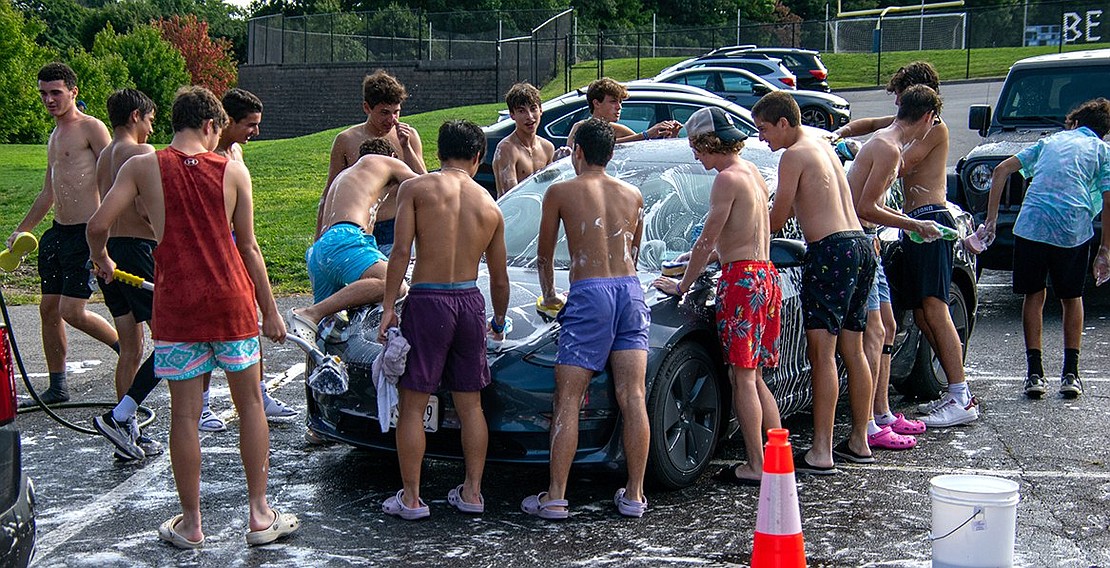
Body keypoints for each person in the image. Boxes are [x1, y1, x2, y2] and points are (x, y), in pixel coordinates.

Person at [87, 86, 298, 548]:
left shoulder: (142, 166)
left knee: (184, 415)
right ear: (210, 126)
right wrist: (271, 311)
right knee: (251, 407)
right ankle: (260, 516)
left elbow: (97, 225)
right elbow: (249, 247)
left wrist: (101, 258)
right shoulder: (234, 171)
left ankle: (191, 523)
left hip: (177, 304)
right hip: (231, 302)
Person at [834, 62, 978, 428]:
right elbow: (873, 125)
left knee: (935, 307)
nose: (896, 104)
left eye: (901, 96)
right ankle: (950, 391)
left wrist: (858, 154)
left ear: (921, 100)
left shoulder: (934, 127)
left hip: (930, 218)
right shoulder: (908, 122)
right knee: (920, 313)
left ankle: (960, 394)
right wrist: (840, 132)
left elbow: (898, 162)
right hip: (914, 225)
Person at [377, 120, 509, 521]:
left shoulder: (415, 189)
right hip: (469, 301)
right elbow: (499, 278)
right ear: (478, 157)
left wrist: (387, 307)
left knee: (413, 405)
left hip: (427, 300)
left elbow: (400, 253)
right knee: (471, 406)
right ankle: (472, 492)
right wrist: (498, 321)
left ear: (437, 153)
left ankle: (413, 498)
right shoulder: (489, 204)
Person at [522, 118, 650, 518]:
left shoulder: (560, 191)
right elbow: (635, 246)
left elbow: (544, 254)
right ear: (611, 155)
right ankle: (634, 495)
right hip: (629, 292)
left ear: (577, 152)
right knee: (633, 396)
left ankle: (556, 495)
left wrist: (548, 296)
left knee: (568, 399)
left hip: (590, 292)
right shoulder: (633, 194)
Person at [651, 107, 783, 485]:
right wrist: (706, 256)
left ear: (710, 143)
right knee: (754, 377)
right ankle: (776, 458)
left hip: (741, 282)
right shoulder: (752, 173)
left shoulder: (726, 179)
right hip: (764, 276)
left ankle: (756, 465)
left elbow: (708, 237)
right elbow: (738, 234)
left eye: (697, 147)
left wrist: (682, 284)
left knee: (741, 378)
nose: (695, 156)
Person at [754, 91, 876, 474]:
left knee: (822, 353)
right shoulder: (821, 145)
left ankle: (821, 450)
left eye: (765, 130)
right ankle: (859, 439)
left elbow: (776, 219)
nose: (762, 139)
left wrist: (746, 212)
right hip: (860, 245)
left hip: (830, 251)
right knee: (853, 349)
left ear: (785, 124)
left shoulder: (794, 155)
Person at [7, 62, 119, 407]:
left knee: (72, 311)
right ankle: (57, 387)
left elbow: (118, 176)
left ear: (74, 92)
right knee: (48, 309)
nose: (49, 99)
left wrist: (109, 230)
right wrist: (22, 228)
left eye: (56, 92)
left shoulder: (91, 128)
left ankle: (130, 349)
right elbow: (48, 192)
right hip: (58, 233)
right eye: (43, 93)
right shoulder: (55, 135)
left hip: (87, 234)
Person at [985, 97, 1110, 399]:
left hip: (1031, 225)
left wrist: (990, 221)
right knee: (1071, 297)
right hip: (1071, 228)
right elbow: (1108, 200)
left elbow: (1002, 169)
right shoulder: (1101, 150)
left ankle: (1034, 374)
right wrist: (1105, 249)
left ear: (1076, 123)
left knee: (1034, 295)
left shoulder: (1049, 142)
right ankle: (1071, 374)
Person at [849, 85, 946, 450]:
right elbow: (865, 206)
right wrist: (915, 224)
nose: (931, 128)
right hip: (860, 238)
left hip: (870, 240)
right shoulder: (888, 148)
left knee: (888, 326)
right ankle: (869, 424)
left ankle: (884, 412)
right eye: (933, 121)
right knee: (874, 332)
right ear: (925, 117)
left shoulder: (886, 143)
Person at [212, 87, 297, 426]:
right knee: (208, 329)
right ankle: (202, 404)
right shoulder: (210, 154)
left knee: (248, 317)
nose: (256, 132)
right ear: (228, 121)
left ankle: (259, 393)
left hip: (237, 240)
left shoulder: (235, 151)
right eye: (250, 125)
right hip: (215, 249)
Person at [89, 88, 163, 461]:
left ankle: (124, 429)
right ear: (136, 116)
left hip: (111, 254)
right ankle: (122, 416)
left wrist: (98, 254)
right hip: (137, 251)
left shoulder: (104, 156)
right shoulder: (142, 153)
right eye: (150, 120)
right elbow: (145, 208)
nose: (151, 128)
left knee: (130, 348)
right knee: (170, 340)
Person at [291, 141, 418, 337]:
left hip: (320, 251)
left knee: (327, 331)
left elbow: (322, 206)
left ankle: (319, 357)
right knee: (393, 283)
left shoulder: (346, 176)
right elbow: (428, 188)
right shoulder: (388, 162)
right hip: (345, 240)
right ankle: (309, 313)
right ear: (392, 156)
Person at [319, 70, 427, 238]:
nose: (392, 120)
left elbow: (424, 182)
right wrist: (319, 237)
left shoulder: (409, 136)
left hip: (398, 224)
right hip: (360, 226)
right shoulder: (346, 140)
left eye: (396, 112)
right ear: (366, 108)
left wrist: (406, 148)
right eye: (384, 112)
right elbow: (330, 191)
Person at [564, 78, 681, 150]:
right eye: (613, 101)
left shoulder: (620, 130)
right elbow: (596, 148)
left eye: (620, 102)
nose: (619, 107)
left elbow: (645, 149)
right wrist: (645, 134)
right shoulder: (580, 128)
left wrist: (669, 139)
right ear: (596, 103)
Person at [491, 82, 555, 197]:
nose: (529, 117)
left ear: (540, 110)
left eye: (533, 109)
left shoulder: (547, 148)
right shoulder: (507, 149)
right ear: (512, 115)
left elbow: (550, 188)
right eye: (521, 111)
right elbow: (511, 196)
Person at [360, 138, 403, 255]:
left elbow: (423, 183)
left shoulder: (400, 185)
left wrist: (407, 147)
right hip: (369, 245)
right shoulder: (360, 187)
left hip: (393, 244)